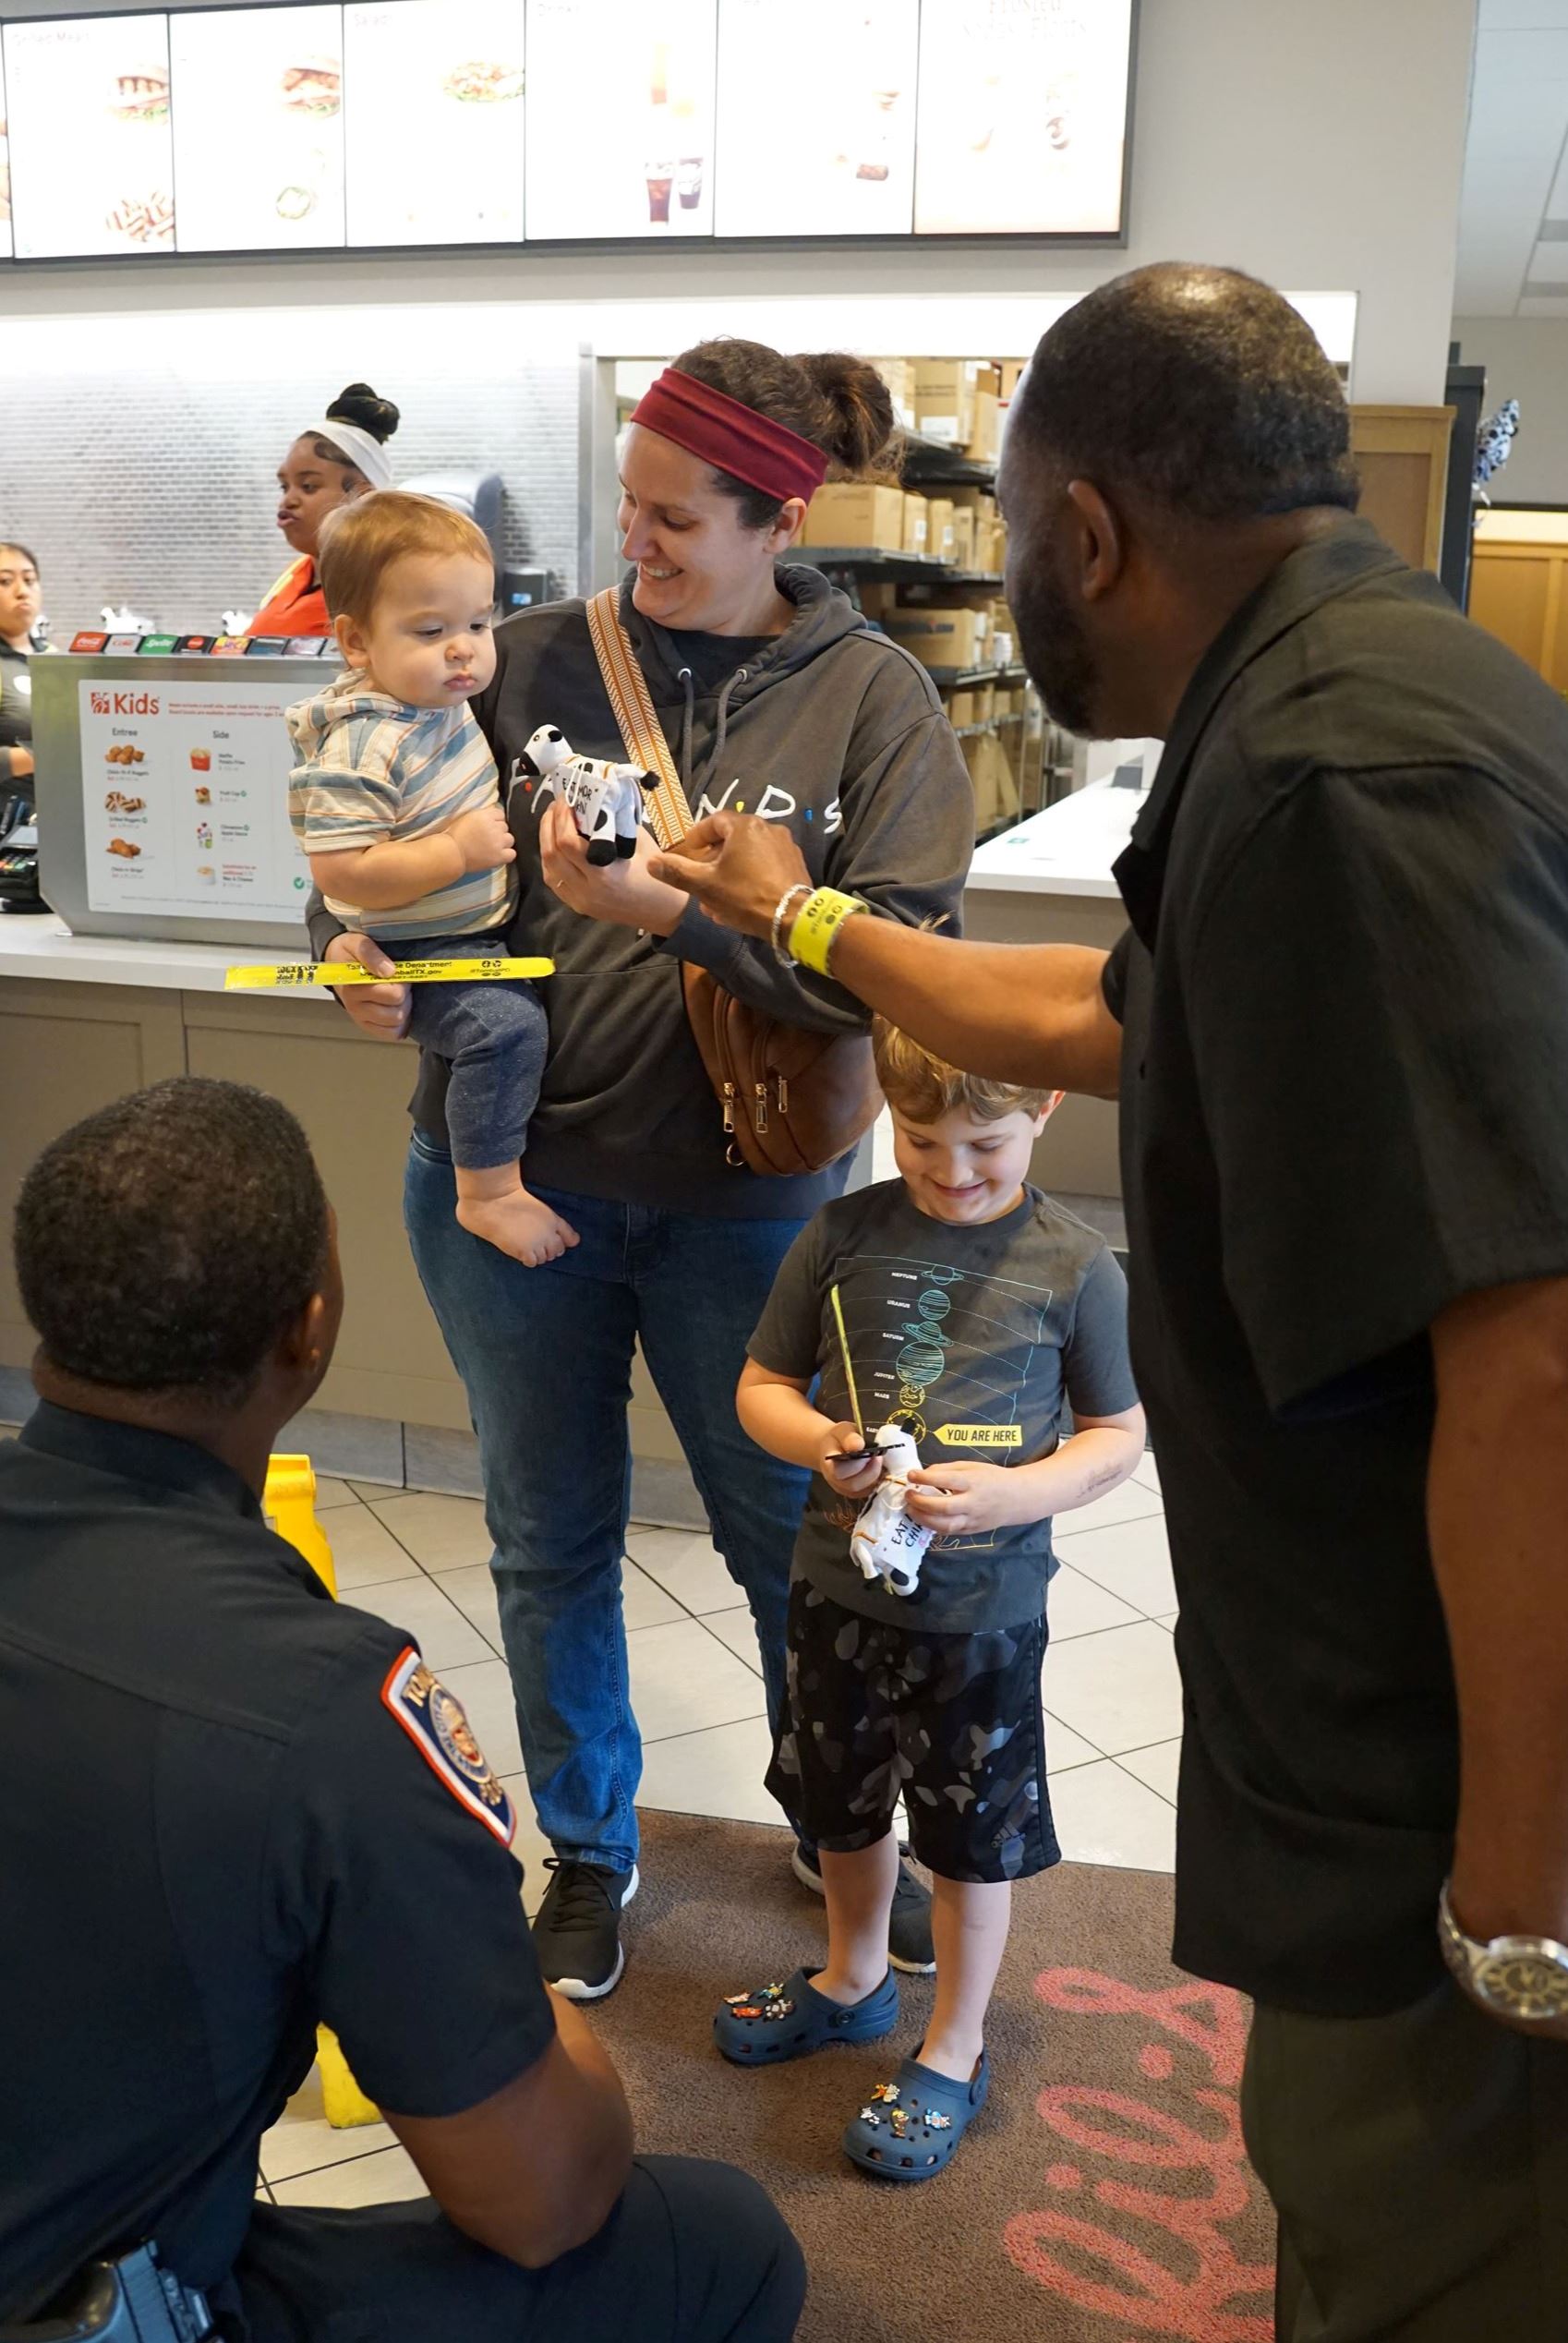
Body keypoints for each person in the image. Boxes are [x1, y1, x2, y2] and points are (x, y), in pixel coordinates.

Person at [651, 265, 1568, 2335]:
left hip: (1435, 1784)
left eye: (1006, 534)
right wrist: (796, 911)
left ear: (1081, 536)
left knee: (1419, 2238)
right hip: (1372, 1732)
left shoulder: (1346, 776)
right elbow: (1098, 1005)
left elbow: (1537, 1351)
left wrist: (1522, 1904)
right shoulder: (1329, 690)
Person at [311, 338, 973, 2000]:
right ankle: (591, 1853)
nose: (639, 542)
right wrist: (357, 962)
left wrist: (679, 916)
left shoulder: (868, 698)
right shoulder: (524, 655)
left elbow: (906, 970)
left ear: (776, 517)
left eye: (677, 517)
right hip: (505, 1187)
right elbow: (351, 858)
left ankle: (837, 1835)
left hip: (744, 1212)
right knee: (545, 1538)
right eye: (627, 504)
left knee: (782, 1542)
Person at [0, 1076, 805, 2343]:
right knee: (717, 2245)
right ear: (309, 1329)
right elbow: (541, 2198)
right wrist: (472, 1966)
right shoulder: (326, 1713)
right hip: (91, 2307)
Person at [713, 1021, 1143, 2181]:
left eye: (985, 1146)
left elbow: (1116, 1435)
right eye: (922, 1142)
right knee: (841, 1810)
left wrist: (1016, 1493)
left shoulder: (1077, 1264)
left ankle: (955, 2039)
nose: (953, 1171)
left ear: (1044, 1106)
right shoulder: (842, 1231)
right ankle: (852, 1977)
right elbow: (761, 1385)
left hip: (982, 1616)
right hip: (834, 1591)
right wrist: (820, 1442)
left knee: (969, 1842)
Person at [288, 491, 564, 1266]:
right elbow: (341, 870)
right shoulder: (364, 744)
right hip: (418, 945)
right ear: (354, 641)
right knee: (502, 1029)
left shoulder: (434, 707)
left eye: (479, 624)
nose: (465, 650)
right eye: (431, 630)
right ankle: (487, 1193)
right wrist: (456, 851)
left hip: (458, 930)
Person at [250, 383, 400, 637]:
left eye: (308, 486)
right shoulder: (301, 571)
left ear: (361, 495)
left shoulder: (377, 590)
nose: (288, 500)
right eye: (284, 486)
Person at [0, 540, 47, 788]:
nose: (22, 591)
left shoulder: (55, 660)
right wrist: (52, 757)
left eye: (29, 580)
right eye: (5, 581)